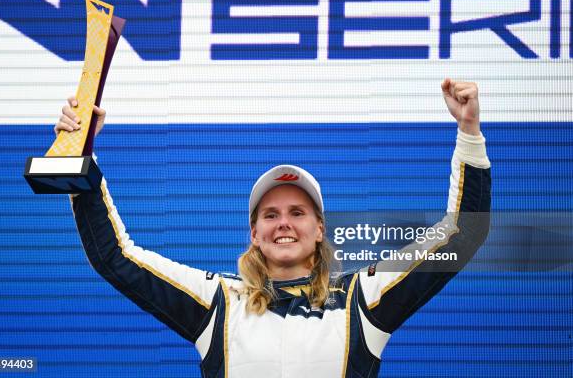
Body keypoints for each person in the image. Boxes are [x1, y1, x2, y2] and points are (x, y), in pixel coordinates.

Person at [57, 79, 491, 378]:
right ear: (254, 234)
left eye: (298, 213)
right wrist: (82, 158)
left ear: (321, 229)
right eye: (270, 214)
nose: (284, 223)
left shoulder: (363, 298)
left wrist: (468, 131)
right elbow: (116, 258)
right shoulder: (219, 302)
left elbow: (462, 234)